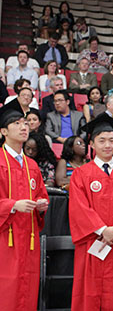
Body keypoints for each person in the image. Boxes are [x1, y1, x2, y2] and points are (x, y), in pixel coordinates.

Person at [69, 114, 113, 310]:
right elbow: (79, 207)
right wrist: (101, 230)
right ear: (92, 143)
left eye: (112, 140)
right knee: (89, 290)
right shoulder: (81, 174)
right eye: (102, 140)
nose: (108, 145)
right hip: (92, 241)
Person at [0, 100, 49, 311]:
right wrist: (12, 205)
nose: (23, 127)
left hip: (28, 238)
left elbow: (40, 193)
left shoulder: (32, 165)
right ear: (3, 131)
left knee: (27, 289)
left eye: (25, 123)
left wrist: (41, 206)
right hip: (4, 238)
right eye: (17, 123)